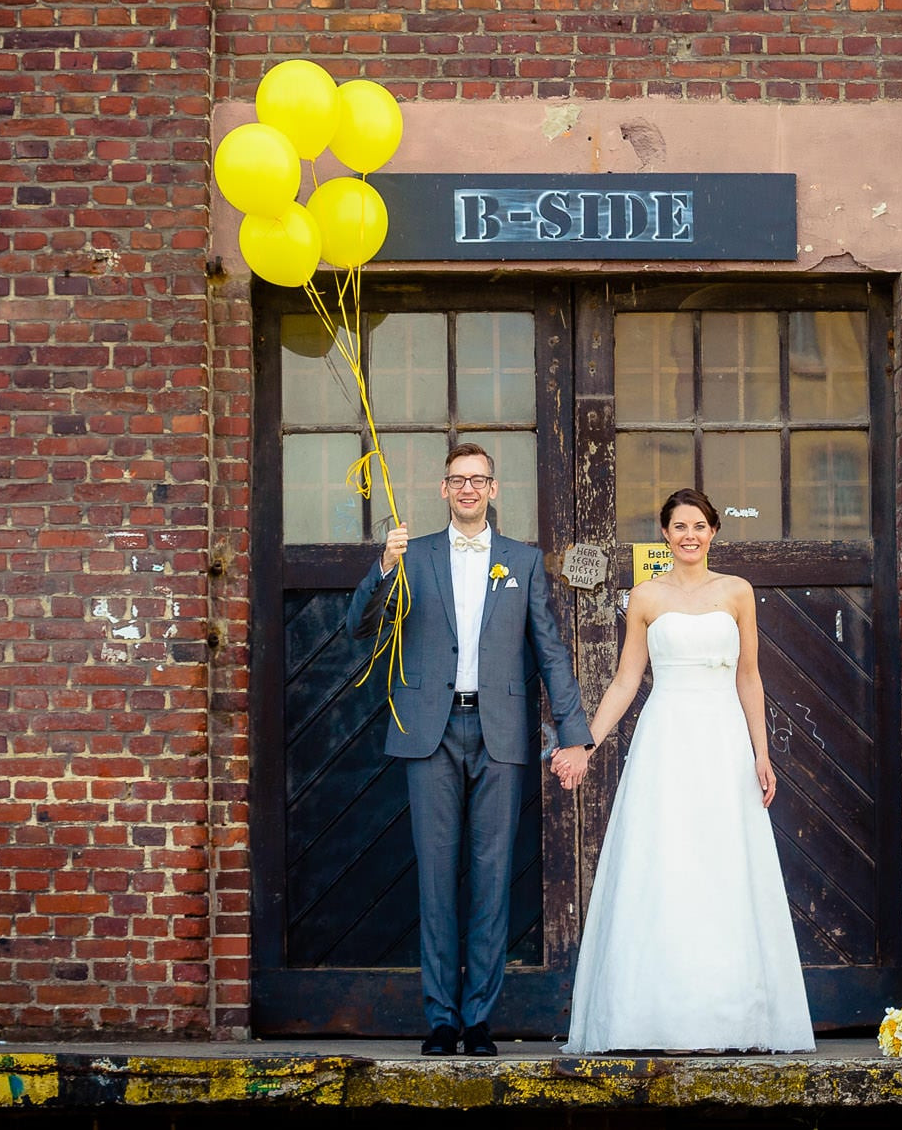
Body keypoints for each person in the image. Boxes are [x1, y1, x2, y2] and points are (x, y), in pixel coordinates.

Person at [346, 442, 594, 1057]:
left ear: (493, 488)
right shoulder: (413, 554)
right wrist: (382, 565)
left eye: (478, 479)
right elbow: (360, 626)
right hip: (429, 732)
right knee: (435, 881)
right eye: (457, 479)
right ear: (442, 488)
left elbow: (551, 650)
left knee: (491, 881)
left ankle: (479, 1019)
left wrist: (575, 733)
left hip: (500, 733)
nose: (467, 489)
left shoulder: (523, 561)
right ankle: (441, 1020)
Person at [555, 487, 815, 1054]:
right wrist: (586, 743)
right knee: (666, 862)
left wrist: (761, 752)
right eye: (679, 527)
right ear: (666, 535)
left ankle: (727, 1017)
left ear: (714, 531)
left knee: (722, 865)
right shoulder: (645, 596)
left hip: (723, 739)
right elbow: (626, 680)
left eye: (699, 525)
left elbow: (750, 676)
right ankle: (654, 1016)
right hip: (667, 739)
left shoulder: (738, 592)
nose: (689, 535)